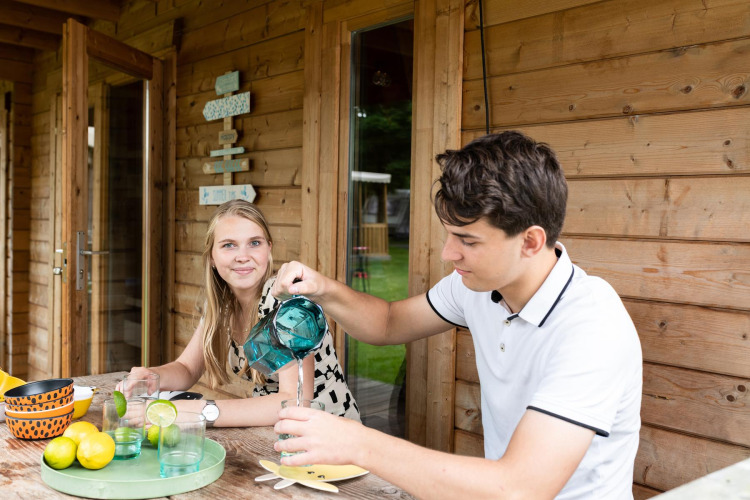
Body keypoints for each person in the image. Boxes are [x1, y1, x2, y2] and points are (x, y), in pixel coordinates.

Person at [272, 131, 642, 499]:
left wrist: (358, 444)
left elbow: (520, 489)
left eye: (468, 240)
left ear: (530, 242)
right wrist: (323, 289)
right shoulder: (474, 287)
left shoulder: (592, 327)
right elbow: (388, 323)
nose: (449, 253)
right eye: (449, 235)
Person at [121, 199, 359, 427]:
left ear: (269, 249)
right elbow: (187, 369)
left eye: (254, 243)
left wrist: (198, 411)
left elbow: (295, 400)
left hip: (330, 438)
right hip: (278, 435)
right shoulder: (222, 304)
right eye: (228, 245)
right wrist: (153, 376)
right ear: (212, 257)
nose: (243, 255)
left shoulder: (286, 303)